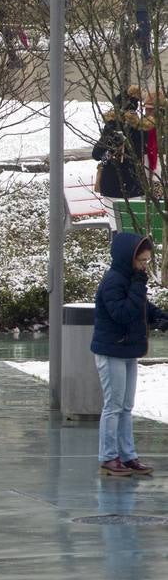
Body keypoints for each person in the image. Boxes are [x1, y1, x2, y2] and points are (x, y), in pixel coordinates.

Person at [90, 232, 168, 476]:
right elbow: (123, 313)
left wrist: (160, 317)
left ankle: (128, 455)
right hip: (112, 350)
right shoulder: (115, 280)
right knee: (113, 406)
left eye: (146, 261)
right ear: (129, 258)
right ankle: (109, 456)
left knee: (126, 406)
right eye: (141, 261)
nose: (144, 267)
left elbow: (141, 307)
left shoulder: (131, 278)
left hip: (127, 350)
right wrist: (137, 285)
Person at [93, 87, 152, 199]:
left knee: (116, 216)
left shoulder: (111, 128)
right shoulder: (142, 130)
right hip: (135, 186)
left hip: (111, 187)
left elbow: (96, 154)